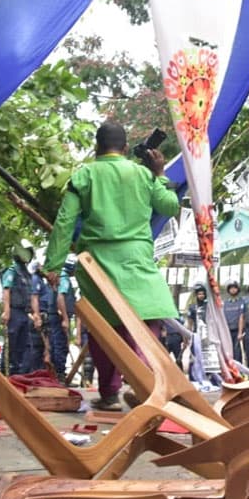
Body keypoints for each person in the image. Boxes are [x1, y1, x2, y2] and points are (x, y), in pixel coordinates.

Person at [43, 121, 180, 411]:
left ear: (96, 148)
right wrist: (160, 174)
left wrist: (53, 265)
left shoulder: (85, 176)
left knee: (104, 330)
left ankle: (109, 394)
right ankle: (147, 382)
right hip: (137, 262)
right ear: (127, 148)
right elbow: (169, 206)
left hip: (97, 264)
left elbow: (65, 222)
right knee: (145, 323)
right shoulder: (143, 174)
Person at [1, 245, 34, 376]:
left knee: (23, 344)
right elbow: (6, 290)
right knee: (12, 342)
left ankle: (18, 374)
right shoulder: (12, 271)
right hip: (14, 312)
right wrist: (6, 310)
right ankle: (6, 373)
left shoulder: (26, 273)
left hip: (24, 313)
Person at [26, 261, 52, 374]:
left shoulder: (43, 281)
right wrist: (37, 316)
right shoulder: (36, 279)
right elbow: (34, 297)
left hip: (44, 315)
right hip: (38, 316)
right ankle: (33, 373)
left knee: (43, 347)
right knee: (36, 347)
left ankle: (40, 373)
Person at [222, 280, 245, 363]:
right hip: (227, 331)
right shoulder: (225, 303)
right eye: (231, 288)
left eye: (235, 288)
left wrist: (240, 332)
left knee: (237, 352)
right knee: (227, 351)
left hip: (237, 331)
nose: (233, 290)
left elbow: (241, 317)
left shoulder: (241, 302)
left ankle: (239, 371)